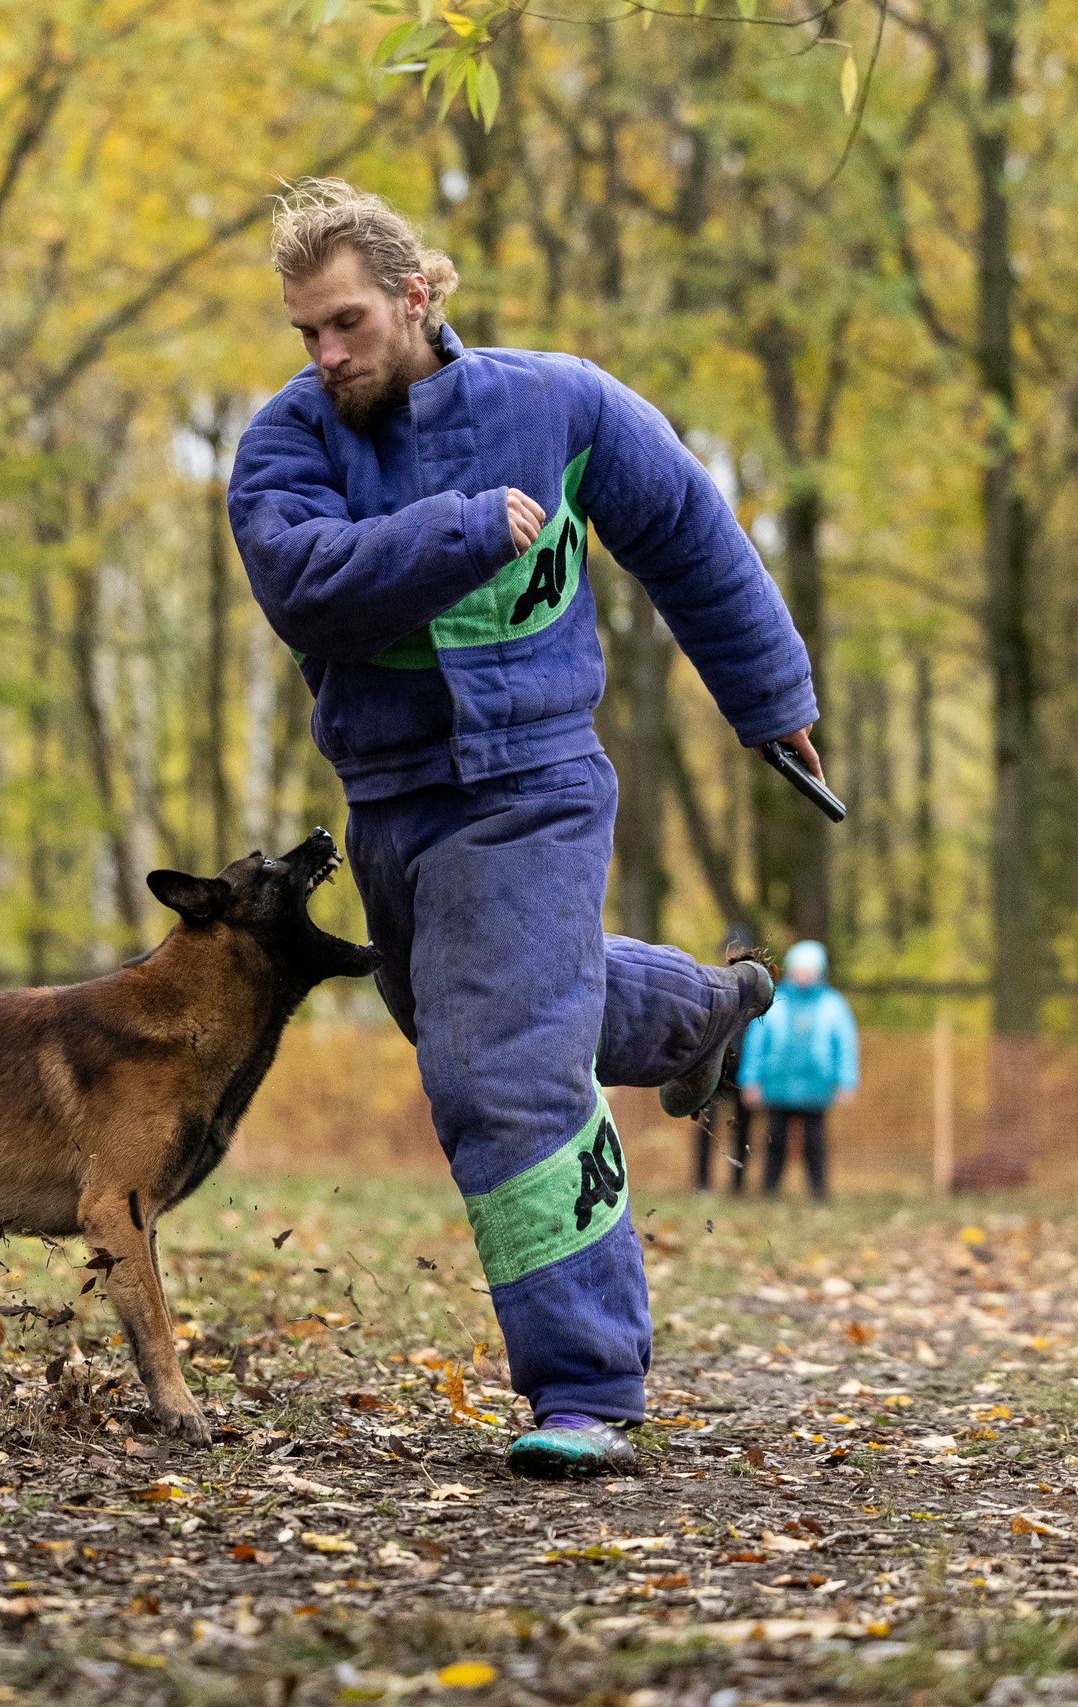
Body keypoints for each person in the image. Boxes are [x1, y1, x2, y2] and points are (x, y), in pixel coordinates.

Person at [227, 181, 817, 1479]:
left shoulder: (557, 404)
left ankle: (589, 1382)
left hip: (534, 780)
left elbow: (689, 534)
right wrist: (460, 530)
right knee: (469, 1008)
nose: (327, 355)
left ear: (416, 294)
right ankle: (698, 1011)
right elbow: (305, 585)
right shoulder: (284, 441)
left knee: (498, 1068)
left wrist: (772, 697)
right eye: (306, 332)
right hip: (392, 801)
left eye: (347, 322)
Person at [736, 939, 859, 1201]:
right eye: (799, 968)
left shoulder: (833, 1004)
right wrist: (750, 1079)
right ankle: (769, 1190)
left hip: (817, 1087)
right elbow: (756, 1043)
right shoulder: (775, 1001)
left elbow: (845, 1045)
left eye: (809, 968)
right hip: (777, 1086)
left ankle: (819, 1192)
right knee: (775, 1141)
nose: (803, 973)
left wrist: (846, 1082)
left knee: (815, 1143)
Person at [694, 926, 760, 1194]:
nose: (735, 954)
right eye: (731, 949)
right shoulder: (710, 983)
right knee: (706, 1125)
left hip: (745, 1068)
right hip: (714, 1065)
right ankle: (702, 1184)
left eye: (741, 949)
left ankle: (738, 1185)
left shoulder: (757, 989)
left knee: (743, 1127)